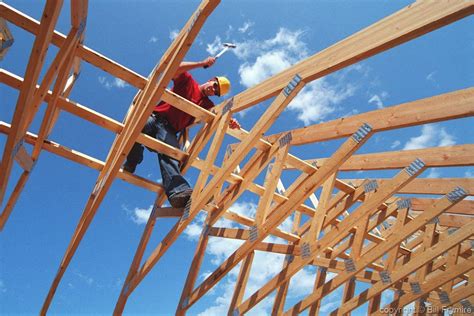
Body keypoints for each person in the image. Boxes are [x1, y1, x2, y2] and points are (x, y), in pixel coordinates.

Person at [123, 57, 241, 208]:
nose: (213, 90)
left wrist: (231, 122)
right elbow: (174, 67)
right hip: (154, 119)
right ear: (211, 80)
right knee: (136, 124)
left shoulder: (208, 105)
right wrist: (201, 63)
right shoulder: (188, 81)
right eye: (214, 85)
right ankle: (133, 160)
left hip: (168, 131)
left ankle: (178, 193)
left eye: (216, 92)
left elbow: (219, 117)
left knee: (171, 155)